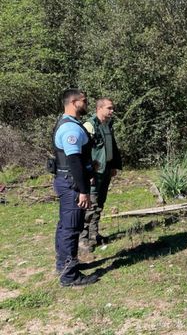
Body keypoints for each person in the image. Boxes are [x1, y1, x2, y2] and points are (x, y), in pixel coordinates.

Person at [53, 89, 98, 286]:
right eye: (84, 100)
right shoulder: (70, 128)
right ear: (73, 102)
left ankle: (64, 265)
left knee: (66, 225)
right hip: (72, 184)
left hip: (68, 181)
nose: (86, 103)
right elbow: (73, 161)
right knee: (71, 228)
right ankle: (70, 277)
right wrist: (83, 191)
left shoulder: (69, 123)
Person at [79, 97, 122, 252]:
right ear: (99, 108)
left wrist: (113, 165)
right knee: (90, 205)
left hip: (105, 170)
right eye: (109, 108)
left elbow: (110, 147)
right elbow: (83, 152)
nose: (112, 111)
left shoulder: (107, 125)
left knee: (99, 204)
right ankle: (82, 240)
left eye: (112, 108)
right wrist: (88, 171)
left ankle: (94, 234)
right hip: (94, 174)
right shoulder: (90, 125)